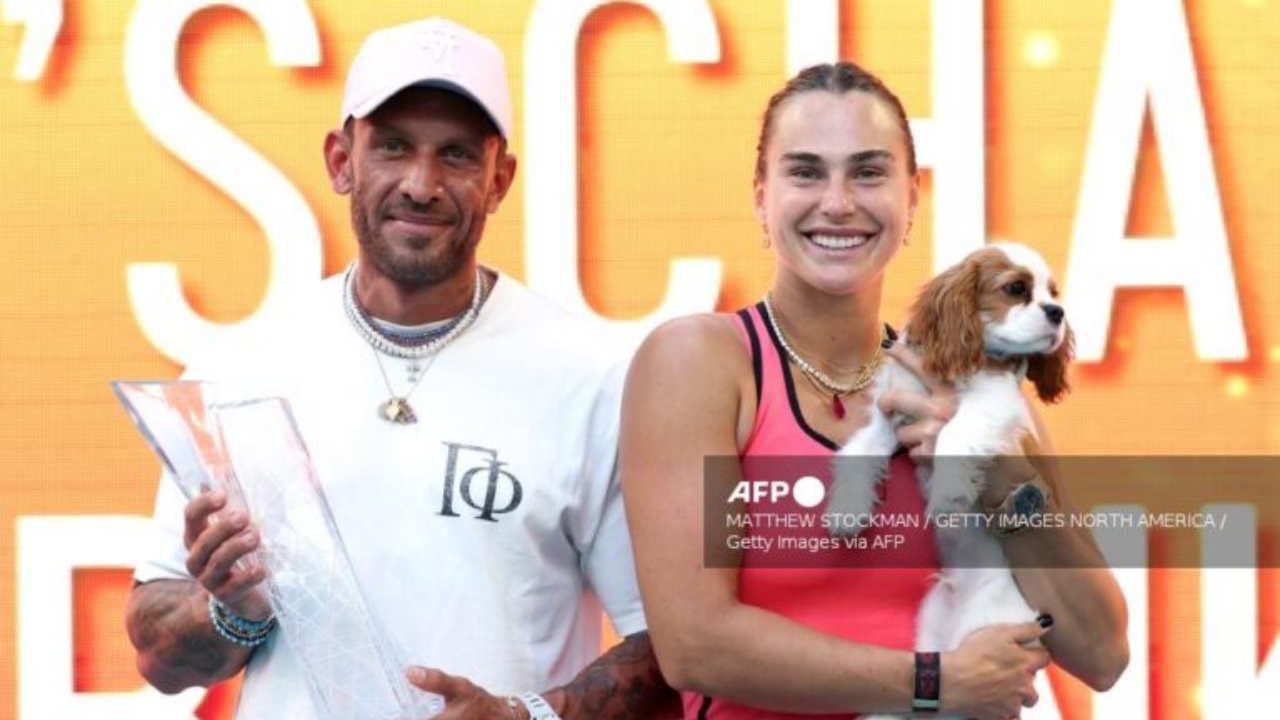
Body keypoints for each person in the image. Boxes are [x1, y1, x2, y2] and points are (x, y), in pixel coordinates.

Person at [125, 17, 679, 720]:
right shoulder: (241, 369)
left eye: (455, 156)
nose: (422, 184)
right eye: (392, 147)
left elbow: (674, 648)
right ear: (339, 160)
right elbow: (158, 660)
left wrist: (525, 717)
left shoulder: (594, 378)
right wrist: (234, 610)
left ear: (500, 179)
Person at [621, 62, 1129, 719]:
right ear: (760, 197)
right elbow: (695, 647)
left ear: (911, 200)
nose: (838, 202)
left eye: (868, 171)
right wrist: (936, 680)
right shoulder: (700, 361)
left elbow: (1102, 653)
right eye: (805, 171)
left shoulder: (982, 390)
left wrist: (1002, 480)